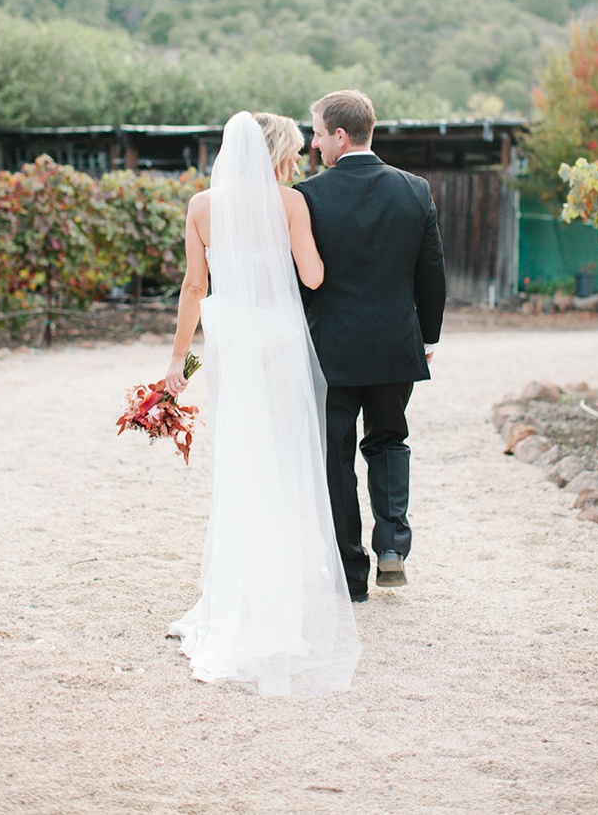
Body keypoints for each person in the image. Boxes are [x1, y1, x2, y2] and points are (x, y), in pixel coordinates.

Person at [162, 111, 359, 696]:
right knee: (278, 463)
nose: (298, 160)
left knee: (239, 463)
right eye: (294, 150)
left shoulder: (202, 207)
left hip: (230, 343)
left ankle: (233, 598)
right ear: (275, 152)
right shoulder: (291, 203)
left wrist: (178, 366)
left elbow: (197, 290)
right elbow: (315, 277)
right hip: (278, 340)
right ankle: (275, 604)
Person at [293, 90, 446, 602]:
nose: (312, 144)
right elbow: (431, 275)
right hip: (394, 347)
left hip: (331, 352)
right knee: (388, 441)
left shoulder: (308, 196)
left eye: (316, 132)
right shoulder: (415, 190)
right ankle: (393, 544)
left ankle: (350, 576)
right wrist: (427, 336)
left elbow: (299, 281)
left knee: (335, 459)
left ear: (340, 135)